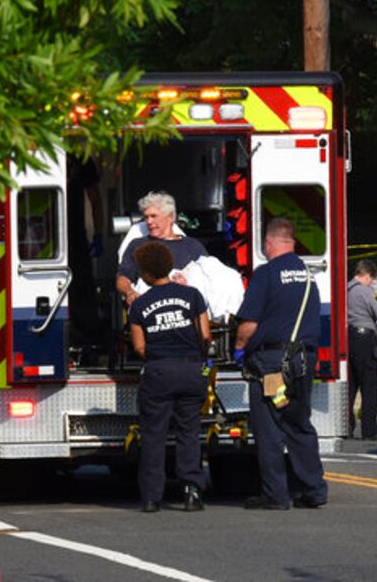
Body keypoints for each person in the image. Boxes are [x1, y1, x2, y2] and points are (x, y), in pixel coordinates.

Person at [233, 217, 328, 510]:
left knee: (270, 426)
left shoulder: (267, 274)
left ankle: (275, 495)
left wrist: (239, 348)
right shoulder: (309, 275)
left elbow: (249, 323)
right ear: (293, 242)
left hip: (272, 365)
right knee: (298, 423)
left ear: (268, 242)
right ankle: (314, 489)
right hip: (303, 360)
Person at [128, 241, 211, 513]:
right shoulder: (192, 296)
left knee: (154, 435)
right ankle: (192, 492)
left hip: (159, 372)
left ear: (147, 274)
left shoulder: (140, 306)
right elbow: (206, 334)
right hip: (189, 370)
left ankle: (152, 497)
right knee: (189, 432)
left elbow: (139, 347)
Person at [117, 191, 207, 307]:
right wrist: (130, 292)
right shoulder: (138, 245)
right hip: (149, 310)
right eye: (146, 217)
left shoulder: (192, 246)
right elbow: (123, 278)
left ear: (170, 217)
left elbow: (209, 278)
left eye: (153, 216)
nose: (149, 221)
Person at [347, 259, 377, 441]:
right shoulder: (365, 291)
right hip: (365, 338)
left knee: (351, 384)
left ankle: (346, 425)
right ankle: (370, 429)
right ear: (366, 275)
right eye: (371, 279)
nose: (372, 282)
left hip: (349, 337)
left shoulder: (345, 289)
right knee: (370, 385)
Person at [66, 155, 104, 350]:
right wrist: (98, 233)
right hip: (70, 235)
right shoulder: (81, 159)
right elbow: (95, 199)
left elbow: (95, 199)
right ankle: (87, 338)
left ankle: (86, 337)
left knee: (81, 288)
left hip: (58, 234)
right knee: (81, 287)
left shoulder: (81, 160)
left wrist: (98, 233)